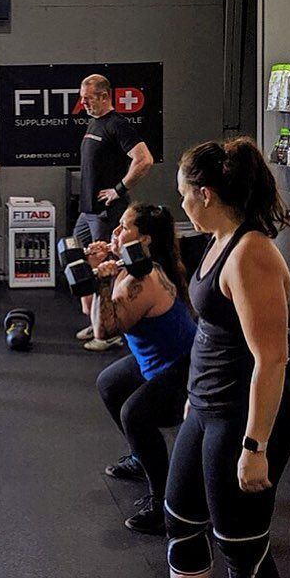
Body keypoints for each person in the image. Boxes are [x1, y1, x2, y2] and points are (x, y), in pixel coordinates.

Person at [116, 137, 290, 578]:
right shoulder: (218, 240)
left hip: (246, 421)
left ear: (206, 193)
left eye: (182, 196)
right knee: (180, 519)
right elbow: (213, 339)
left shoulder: (252, 254)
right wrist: (193, 401)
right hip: (207, 408)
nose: (179, 207)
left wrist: (255, 446)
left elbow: (272, 359)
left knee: (241, 545)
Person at [91, 203, 196, 534]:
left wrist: (101, 283)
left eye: (124, 228)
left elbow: (102, 330)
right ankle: (141, 456)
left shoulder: (143, 278)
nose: (115, 233)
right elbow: (99, 318)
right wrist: (100, 269)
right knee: (109, 384)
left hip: (184, 371)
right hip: (157, 360)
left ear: (145, 240)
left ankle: (165, 504)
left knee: (134, 414)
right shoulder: (131, 265)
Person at [72, 74, 153, 352]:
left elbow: (144, 159)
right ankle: (95, 319)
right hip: (87, 212)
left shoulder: (118, 125)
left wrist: (118, 189)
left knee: (105, 269)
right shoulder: (94, 122)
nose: (83, 104)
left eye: (88, 98)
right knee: (79, 260)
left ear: (105, 96)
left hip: (106, 212)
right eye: (82, 99)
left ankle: (109, 331)